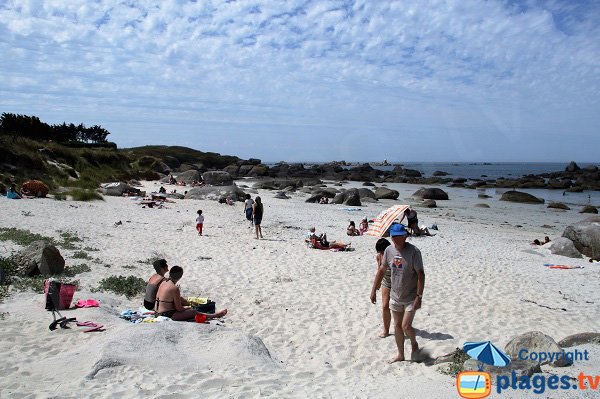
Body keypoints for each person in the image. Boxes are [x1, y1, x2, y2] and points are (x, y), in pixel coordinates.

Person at [370, 224, 425, 363]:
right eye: (393, 236)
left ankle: (413, 342)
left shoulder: (414, 251)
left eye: (399, 236)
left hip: (411, 297)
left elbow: (421, 274)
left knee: (405, 326)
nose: (396, 239)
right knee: (397, 326)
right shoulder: (388, 250)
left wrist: (419, 296)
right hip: (395, 295)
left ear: (405, 236)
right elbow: (381, 270)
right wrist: (373, 290)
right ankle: (401, 354)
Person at [155, 266, 227, 321]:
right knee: (193, 312)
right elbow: (179, 309)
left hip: (157, 312)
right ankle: (215, 315)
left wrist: (185, 304)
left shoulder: (164, 282)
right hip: (167, 315)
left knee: (185, 304)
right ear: (180, 277)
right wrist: (186, 308)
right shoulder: (174, 288)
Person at [370, 238, 392, 338]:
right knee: (384, 306)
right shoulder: (379, 256)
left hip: (398, 282)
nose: (381, 253)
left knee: (400, 307)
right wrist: (374, 290)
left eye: (382, 251)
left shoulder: (395, 256)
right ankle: (386, 330)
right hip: (386, 282)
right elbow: (379, 273)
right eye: (380, 252)